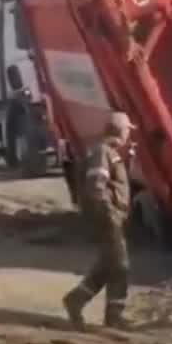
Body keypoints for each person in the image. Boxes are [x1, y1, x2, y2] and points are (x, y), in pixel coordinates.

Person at [64, 111, 135, 330]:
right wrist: (110, 213)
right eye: (127, 131)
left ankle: (75, 300)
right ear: (119, 130)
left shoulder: (110, 153)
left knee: (108, 266)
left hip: (109, 217)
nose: (129, 135)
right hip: (106, 218)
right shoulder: (103, 153)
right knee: (120, 266)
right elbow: (96, 187)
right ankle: (113, 316)